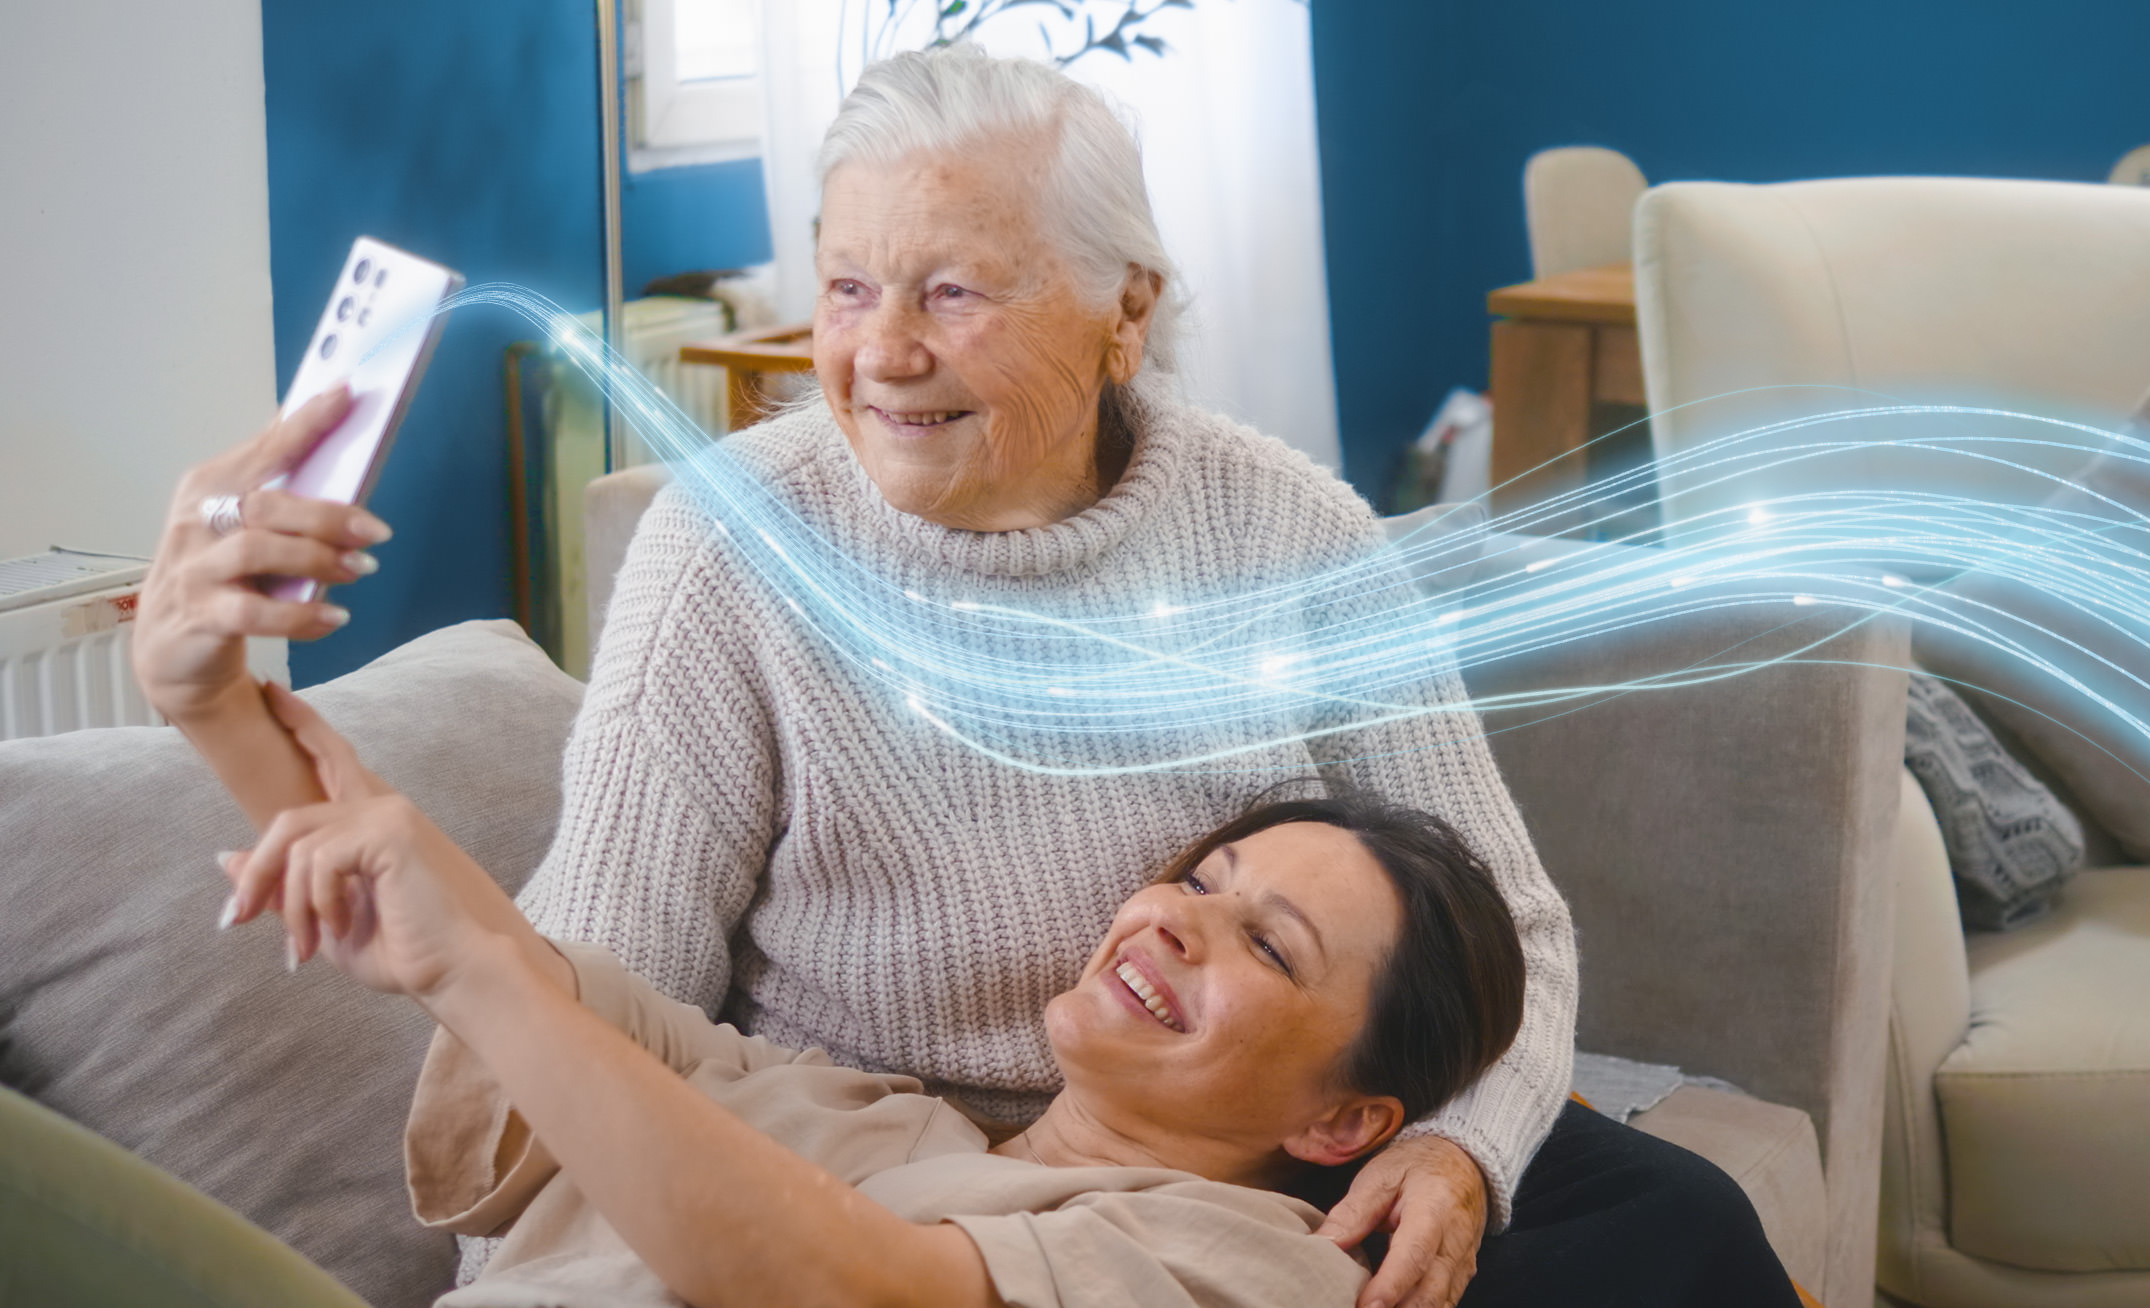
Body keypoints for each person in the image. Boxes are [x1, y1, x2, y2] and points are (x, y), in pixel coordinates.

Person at [136, 44, 1800, 1307]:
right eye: (848, 290)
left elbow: (1508, 925)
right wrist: (213, 697)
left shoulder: (1286, 527)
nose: (881, 353)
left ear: (1122, 310)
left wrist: (1462, 1147)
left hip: (1217, 1135)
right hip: (889, 1136)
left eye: (953, 292)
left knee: (1683, 1230)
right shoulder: (736, 547)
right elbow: (577, 976)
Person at [182, 668, 1529, 1307]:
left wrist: (477, 974)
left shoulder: (1252, 1269)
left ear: (1344, 1125)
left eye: (1269, 944)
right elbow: (513, 971)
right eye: (1205, 877)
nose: (1181, 920)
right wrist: (212, 706)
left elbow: (845, 1291)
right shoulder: (859, 1113)